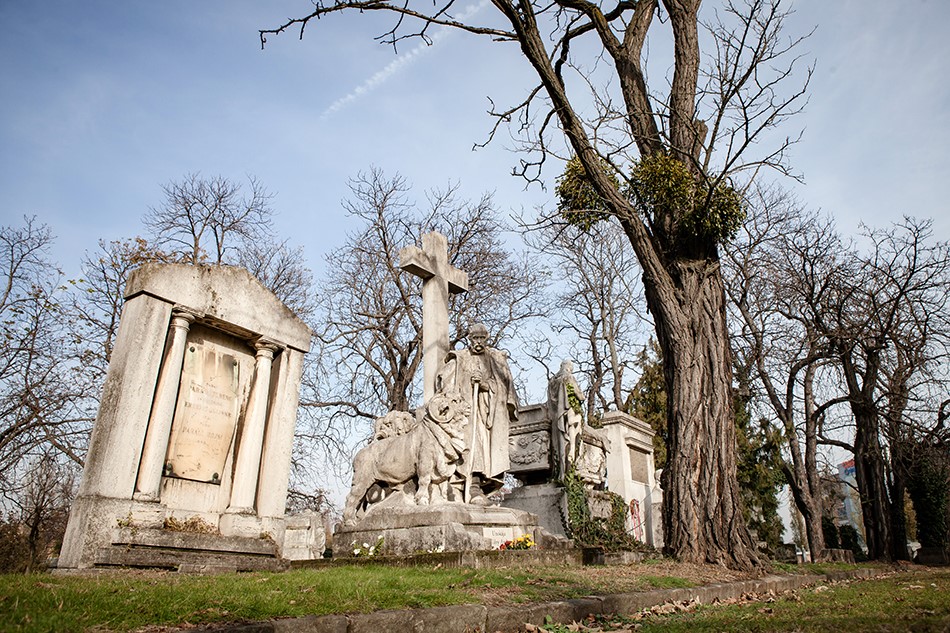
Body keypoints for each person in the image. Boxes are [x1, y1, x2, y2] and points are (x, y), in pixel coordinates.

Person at [436, 323, 518, 504]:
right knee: (468, 445)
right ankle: (468, 484)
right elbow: (444, 384)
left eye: (482, 338)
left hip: (485, 415)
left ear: (487, 338)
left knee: (481, 446)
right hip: (464, 416)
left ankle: (476, 484)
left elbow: (504, 388)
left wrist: (486, 385)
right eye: (475, 338)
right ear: (469, 339)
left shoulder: (495, 359)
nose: (478, 342)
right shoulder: (460, 358)